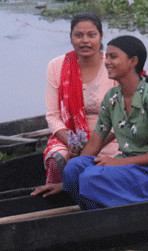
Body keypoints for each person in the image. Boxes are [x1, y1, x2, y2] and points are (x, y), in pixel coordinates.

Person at [54, 35, 148, 210]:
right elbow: (94, 144)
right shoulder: (112, 97)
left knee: (91, 178)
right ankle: (97, 211)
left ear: (133, 61)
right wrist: (66, 183)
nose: (107, 62)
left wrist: (118, 163)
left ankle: (101, 216)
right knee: (74, 168)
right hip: (126, 168)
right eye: (107, 57)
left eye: (113, 56)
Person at [42, 12, 119, 184]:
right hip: (69, 137)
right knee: (57, 162)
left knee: (104, 169)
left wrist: (93, 146)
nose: (85, 41)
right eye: (78, 35)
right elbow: (53, 116)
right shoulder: (57, 66)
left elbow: (121, 118)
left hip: (108, 139)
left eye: (91, 35)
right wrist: (72, 143)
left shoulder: (113, 65)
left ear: (101, 37)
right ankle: (59, 201)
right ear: (71, 38)